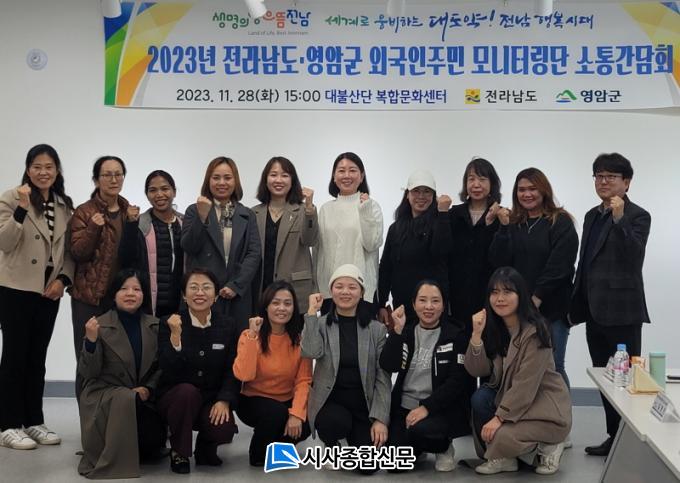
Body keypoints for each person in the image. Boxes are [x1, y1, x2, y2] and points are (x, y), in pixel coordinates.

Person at [570, 153, 651, 457]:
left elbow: (634, 256)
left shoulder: (638, 215)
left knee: (625, 379)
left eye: (611, 176)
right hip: (594, 309)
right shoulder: (591, 215)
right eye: (599, 176)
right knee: (604, 378)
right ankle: (613, 435)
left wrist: (619, 219)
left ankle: (629, 440)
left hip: (622, 311)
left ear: (626, 183)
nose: (603, 181)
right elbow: (585, 262)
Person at [0, 144, 74, 449]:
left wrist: (63, 280)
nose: (43, 172)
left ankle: (33, 420)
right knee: (14, 357)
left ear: (57, 170)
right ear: (28, 170)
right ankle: (7, 424)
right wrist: (21, 207)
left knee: (37, 358)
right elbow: (5, 242)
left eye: (49, 167)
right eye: (37, 167)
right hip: (16, 288)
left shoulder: (63, 204)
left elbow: (68, 251)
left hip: (48, 291)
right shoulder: (11, 198)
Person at [466, 267, 571, 476]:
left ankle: (548, 446)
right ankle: (507, 457)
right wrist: (476, 336)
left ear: (520, 295)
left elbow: (525, 384)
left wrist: (499, 418)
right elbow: (477, 370)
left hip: (542, 407)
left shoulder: (536, 331)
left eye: (507, 292)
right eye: (495, 292)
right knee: (480, 398)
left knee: (501, 437)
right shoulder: (494, 328)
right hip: (514, 403)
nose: (500, 298)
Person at [489, 167, 578, 389]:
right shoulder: (514, 223)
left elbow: (560, 266)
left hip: (552, 310)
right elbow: (499, 262)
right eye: (521, 190)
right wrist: (503, 228)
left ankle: (560, 409)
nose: (527, 194)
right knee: (520, 367)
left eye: (532, 189)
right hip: (517, 311)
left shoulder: (561, 222)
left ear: (544, 190)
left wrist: (536, 298)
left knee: (553, 366)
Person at [301, 264, 391, 473]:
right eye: (339, 286)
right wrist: (311, 313)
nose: (345, 292)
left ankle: (353, 437)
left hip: (363, 405)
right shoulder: (321, 324)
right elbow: (310, 351)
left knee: (369, 467)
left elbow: (383, 377)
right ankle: (332, 444)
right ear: (331, 291)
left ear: (362, 293)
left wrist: (380, 419)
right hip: (331, 402)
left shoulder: (376, 330)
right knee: (333, 423)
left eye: (352, 287)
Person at [77, 269, 166, 479]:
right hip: (106, 396)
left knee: (153, 443)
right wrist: (91, 342)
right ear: (114, 294)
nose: (130, 293)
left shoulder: (155, 325)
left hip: (143, 398)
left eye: (136, 289)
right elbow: (89, 373)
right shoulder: (99, 325)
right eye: (124, 289)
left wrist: (148, 388)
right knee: (126, 399)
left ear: (144, 295)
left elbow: (161, 367)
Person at [379, 280, 472, 472]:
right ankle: (418, 449)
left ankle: (443, 447)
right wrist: (396, 331)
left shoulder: (456, 335)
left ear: (444, 305)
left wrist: (427, 407)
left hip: (439, 409)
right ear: (413, 304)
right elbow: (388, 365)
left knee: (421, 430)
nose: (429, 306)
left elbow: (456, 382)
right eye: (422, 300)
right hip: (405, 408)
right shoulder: (406, 331)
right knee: (393, 465)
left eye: (435, 301)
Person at [156, 268, 239, 474]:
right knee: (187, 392)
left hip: (210, 398)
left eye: (206, 288)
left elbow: (232, 369)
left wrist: (224, 400)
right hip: (176, 398)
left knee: (224, 428)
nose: (200, 293)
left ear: (216, 295)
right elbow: (167, 370)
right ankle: (179, 452)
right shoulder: (170, 323)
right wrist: (176, 336)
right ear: (184, 295)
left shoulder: (227, 325)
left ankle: (205, 447)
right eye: (193, 287)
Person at [233, 280, 312, 466]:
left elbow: (304, 380)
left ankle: (275, 448)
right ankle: (258, 454)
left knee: (307, 421)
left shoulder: (299, 340)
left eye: (287, 303)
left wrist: (296, 414)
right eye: (275, 303)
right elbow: (244, 375)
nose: (282, 308)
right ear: (266, 307)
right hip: (252, 400)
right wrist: (253, 336)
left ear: (294, 308)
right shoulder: (249, 335)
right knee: (276, 413)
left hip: (285, 399)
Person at [70, 156, 130, 399]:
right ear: (96, 180)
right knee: (88, 359)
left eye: (118, 174)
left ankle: (110, 414)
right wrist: (93, 228)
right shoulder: (84, 212)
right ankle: (88, 416)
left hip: (119, 300)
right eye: (107, 175)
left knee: (116, 361)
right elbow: (77, 253)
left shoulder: (128, 212)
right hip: (89, 298)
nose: (113, 179)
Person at [182, 156, 261, 331]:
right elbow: (188, 247)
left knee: (238, 341)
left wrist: (236, 285)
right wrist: (202, 218)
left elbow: (254, 253)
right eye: (216, 177)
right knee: (202, 341)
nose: (222, 183)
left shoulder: (247, 214)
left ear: (235, 181)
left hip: (236, 292)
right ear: (208, 181)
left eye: (227, 177)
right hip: (203, 293)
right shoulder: (194, 210)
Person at [378, 170, 452, 325]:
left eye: (427, 191)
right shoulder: (396, 228)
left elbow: (441, 252)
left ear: (434, 196)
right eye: (416, 191)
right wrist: (381, 303)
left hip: (431, 307)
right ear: (407, 195)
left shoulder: (441, 222)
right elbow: (386, 268)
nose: (421, 196)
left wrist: (443, 213)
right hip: (402, 305)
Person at [314, 152, 383, 314]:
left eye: (352, 170)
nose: (347, 175)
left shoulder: (371, 206)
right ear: (334, 176)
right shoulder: (325, 209)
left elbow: (371, 244)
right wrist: (316, 288)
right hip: (330, 290)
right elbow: (317, 252)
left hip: (362, 289)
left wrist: (364, 210)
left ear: (362, 176)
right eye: (341, 170)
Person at [251, 157, 318, 313]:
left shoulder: (303, 210)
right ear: (265, 179)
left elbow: (310, 240)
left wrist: (309, 210)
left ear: (292, 180)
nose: (278, 180)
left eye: (285, 175)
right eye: (273, 175)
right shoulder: (253, 213)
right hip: (261, 288)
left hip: (294, 289)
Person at [448, 157, 502, 333]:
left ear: (492, 184)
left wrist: (489, 225)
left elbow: (499, 259)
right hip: (456, 295)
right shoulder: (453, 214)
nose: (476, 184)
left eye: (482, 179)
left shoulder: (501, 217)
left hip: (489, 296)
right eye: (471, 179)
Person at [119, 170, 184, 317]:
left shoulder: (185, 223)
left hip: (181, 306)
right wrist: (131, 225)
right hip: (149, 307)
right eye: (153, 190)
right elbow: (125, 260)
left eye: (165, 189)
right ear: (147, 195)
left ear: (174, 191)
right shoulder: (139, 224)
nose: (159, 194)